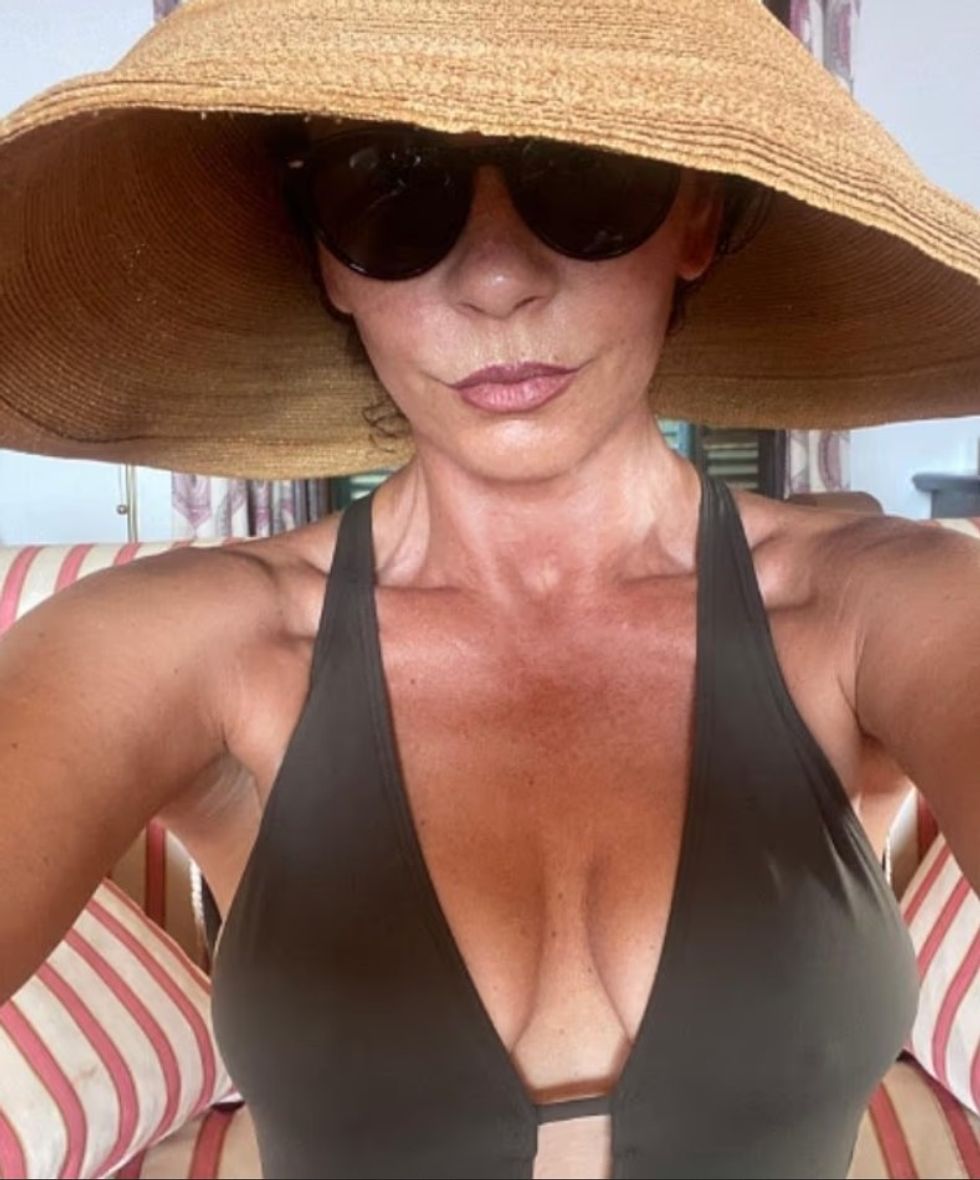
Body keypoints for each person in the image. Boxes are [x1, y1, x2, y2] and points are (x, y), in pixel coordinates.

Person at [0, 1, 978, 1177]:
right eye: (388, 185)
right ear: (325, 258)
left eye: (586, 172)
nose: (498, 277)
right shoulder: (193, 639)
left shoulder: (874, 605)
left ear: (696, 216)